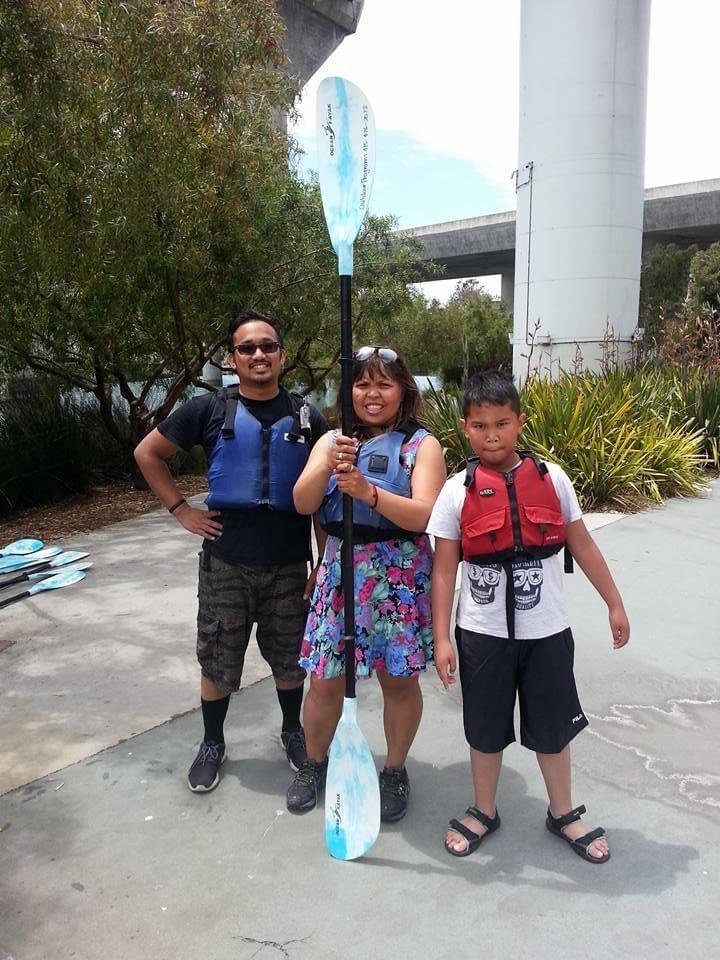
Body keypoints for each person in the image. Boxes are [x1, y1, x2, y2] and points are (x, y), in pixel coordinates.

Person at [428, 370, 629, 862]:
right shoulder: (457, 490)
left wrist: (614, 602)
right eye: (480, 425)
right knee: (484, 726)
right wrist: (442, 638)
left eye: (501, 423)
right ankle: (483, 809)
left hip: (546, 632)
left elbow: (581, 543)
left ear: (519, 422)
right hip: (481, 633)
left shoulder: (552, 478)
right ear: (464, 428)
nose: (491, 435)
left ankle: (562, 811)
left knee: (553, 726)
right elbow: (443, 569)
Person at [134, 309, 327, 793]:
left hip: (288, 563)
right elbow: (147, 453)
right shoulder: (208, 410)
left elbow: (326, 498)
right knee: (218, 657)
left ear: (282, 355)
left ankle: (291, 730)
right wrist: (181, 510)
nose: (258, 355)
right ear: (232, 358)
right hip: (226, 562)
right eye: (247, 348)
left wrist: (323, 564)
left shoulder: (308, 416)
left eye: (267, 346)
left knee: (289, 661)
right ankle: (213, 743)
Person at [284, 345, 447, 822]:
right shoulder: (332, 439)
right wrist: (327, 463)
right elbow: (302, 502)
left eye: (384, 384)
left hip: (398, 575)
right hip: (341, 572)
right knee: (325, 681)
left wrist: (368, 492)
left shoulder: (423, 445)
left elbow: (424, 515)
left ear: (403, 391)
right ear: (349, 390)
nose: (372, 394)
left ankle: (394, 769)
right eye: (362, 384)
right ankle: (314, 764)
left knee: (398, 680)